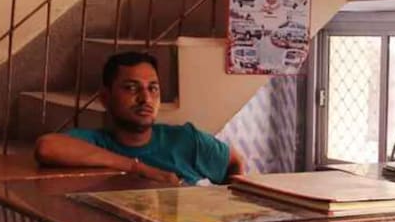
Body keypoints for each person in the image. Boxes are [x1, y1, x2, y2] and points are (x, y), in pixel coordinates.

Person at [35, 52, 245, 185]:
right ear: (106, 98)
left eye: (153, 89)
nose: (145, 99)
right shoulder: (96, 144)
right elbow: (46, 147)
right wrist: (140, 169)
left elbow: (233, 162)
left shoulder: (187, 140)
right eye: (131, 88)